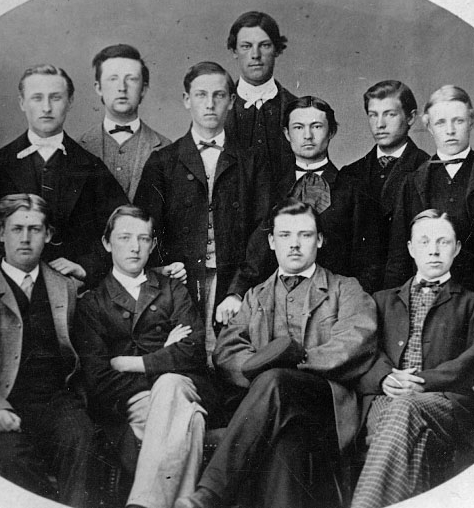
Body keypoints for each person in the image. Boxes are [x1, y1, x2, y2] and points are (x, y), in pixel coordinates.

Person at [175, 199, 377, 508]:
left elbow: (355, 341)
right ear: (271, 241)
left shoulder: (345, 289)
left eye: (305, 235)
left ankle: (210, 495)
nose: (294, 244)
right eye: (285, 235)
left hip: (325, 404)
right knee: (287, 437)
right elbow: (227, 350)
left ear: (319, 240)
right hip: (273, 408)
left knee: (276, 381)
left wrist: (294, 363)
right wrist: (264, 371)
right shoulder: (255, 296)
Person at [0, 194, 99, 508]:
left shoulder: (67, 288)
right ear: (1, 233)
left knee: (83, 440)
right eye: (16, 229)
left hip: (56, 403)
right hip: (3, 402)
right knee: (9, 459)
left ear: (48, 235)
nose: (25, 238)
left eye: (35, 229)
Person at [384, 85, 474, 405]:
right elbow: (399, 253)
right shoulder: (413, 182)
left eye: (459, 121)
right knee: (422, 400)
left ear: (472, 121)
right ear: (428, 125)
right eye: (441, 122)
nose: (450, 130)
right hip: (428, 318)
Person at [72, 205, 216, 508]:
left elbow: (193, 349)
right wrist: (166, 353)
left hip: (186, 386)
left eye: (143, 238)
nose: (135, 247)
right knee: (188, 419)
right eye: (125, 238)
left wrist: (133, 363)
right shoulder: (92, 304)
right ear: (107, 243)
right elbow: (98, 378)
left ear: (153, 245)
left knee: (170, 387)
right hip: (132, 400)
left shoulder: (173, 289)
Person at [353, 209, 474, 508]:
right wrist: (385, 377)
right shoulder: (380, 301)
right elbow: (362, 354)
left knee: (404, 409)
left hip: (448, 404)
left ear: (457, 248)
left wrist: (422, 381)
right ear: (410, 248)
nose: (433, 250)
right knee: (415, 442)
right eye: (424, 242)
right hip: (385, 397)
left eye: (443, 242)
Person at [134, 61, 271, 364]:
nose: (210, 104)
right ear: (187, 100)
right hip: (179, 282)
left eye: (219, 95)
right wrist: (162, 267)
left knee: (231, 359)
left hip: (234, 280)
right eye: (201, 95)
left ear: (232, 101)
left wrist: (239, 289)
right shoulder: (163, 162)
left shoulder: (252, 161)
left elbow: (264, 227)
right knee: (185, 358)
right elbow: (144, 226)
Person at [217, 96, 383, 326]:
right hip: (277, 308)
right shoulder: (271, 189)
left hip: (333, 309)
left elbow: (368, 263)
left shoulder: (353, 190)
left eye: (316, 126)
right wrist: (236, 293)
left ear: (331, 131)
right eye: (298, 127)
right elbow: (257, 250)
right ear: (287, 134)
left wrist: (350, 306)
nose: (307, 135)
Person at [0, 63, 128, 287]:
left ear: (70, 102)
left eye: (56, 98)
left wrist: (86, 268)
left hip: (74, 292)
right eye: (37, 98)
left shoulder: (90, 166)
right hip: (10, 292)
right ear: (22, 102)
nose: (46, 108)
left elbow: (124, 228)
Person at [342, 80, 430, 282]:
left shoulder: (428, 170)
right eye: (373, 115)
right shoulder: (350, 173)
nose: (379, 124)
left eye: (390, 114)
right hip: (357, 290)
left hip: (406, 286)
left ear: (411, 117)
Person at [78, 44, 171, 201]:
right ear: (98, 88)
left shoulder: (167, 148)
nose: (122, 87)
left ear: (143, 89)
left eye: (131, 79)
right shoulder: (77, 148)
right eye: (113, 79)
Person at [224, 11, 298, 182]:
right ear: (234, 51)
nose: (255, 55)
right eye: (246, 46)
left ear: (277, 50)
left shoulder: (298, 108)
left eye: (264, 45)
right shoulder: (217, 109)